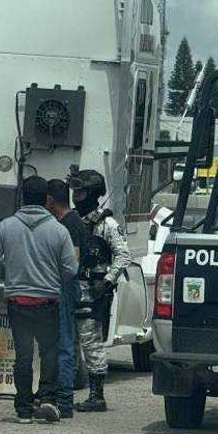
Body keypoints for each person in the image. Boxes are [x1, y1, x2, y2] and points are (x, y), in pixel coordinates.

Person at [0, 176, 78, 424]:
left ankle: (23, 407)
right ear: (47, 199)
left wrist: (10, 272)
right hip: (48, 301)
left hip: (18, 301)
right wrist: (51, 275)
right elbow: (71, 268)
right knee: (49, 353)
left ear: (21, 197)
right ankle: (47, 399)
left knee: (23, 356)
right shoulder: (59, 230)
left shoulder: (7, 226)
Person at [69, 169, 130, 413]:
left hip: (93, 292)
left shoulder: (106, 223)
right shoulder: (71, 220)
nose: (76, 196)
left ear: (93, 194)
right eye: (75, 191)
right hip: (71, 288)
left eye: (81, 192)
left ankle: (97, 395)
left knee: (91, 342)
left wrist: (106, 281)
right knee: (68, 342)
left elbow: (123, 255)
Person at [47, 178, 88, 419]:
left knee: (64, 342)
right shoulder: (66, 221)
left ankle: (64, 398)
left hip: (65, 287)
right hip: (63, 286)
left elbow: (72, 262)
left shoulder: (70, 223)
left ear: (51, 200)